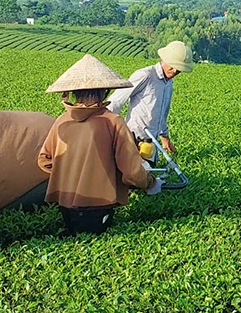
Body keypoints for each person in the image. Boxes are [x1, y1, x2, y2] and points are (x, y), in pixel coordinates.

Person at [38, 54, 162, 235]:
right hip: (99, 205)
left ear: (74, 92)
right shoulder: (112, 122)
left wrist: (68, 174)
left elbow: (44, 160)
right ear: (104, 91)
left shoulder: (62, 121)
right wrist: (151, 183)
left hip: (65, 203)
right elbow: (132, 170)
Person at [106, 40, 193, 155]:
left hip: (152, 144)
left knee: (150, 170)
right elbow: (116, 101)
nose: (175, 71)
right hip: (133, 140)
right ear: (164, 59)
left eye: (179, 68)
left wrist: (164, 136)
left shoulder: (169, 83)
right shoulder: (145, 75)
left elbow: (162, 113)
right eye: (172, 66)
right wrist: (106, 130)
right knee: (135, 172)